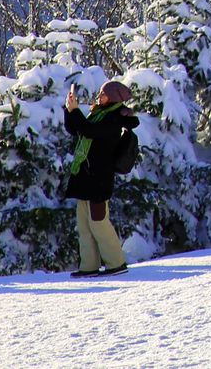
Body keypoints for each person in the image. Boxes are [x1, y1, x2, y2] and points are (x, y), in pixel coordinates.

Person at [63, 80, 139, 277]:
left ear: (113, 97)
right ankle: (89, 266)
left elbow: (89, 131)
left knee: (99, 222)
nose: (99, 96)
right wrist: (69, 110)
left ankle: (116, 262)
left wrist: (76, 112)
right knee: (84, 224)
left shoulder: (113, 119)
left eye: (103, 94)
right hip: (86, 177)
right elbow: (77, 130)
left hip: (99, 178)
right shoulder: (99, 114)